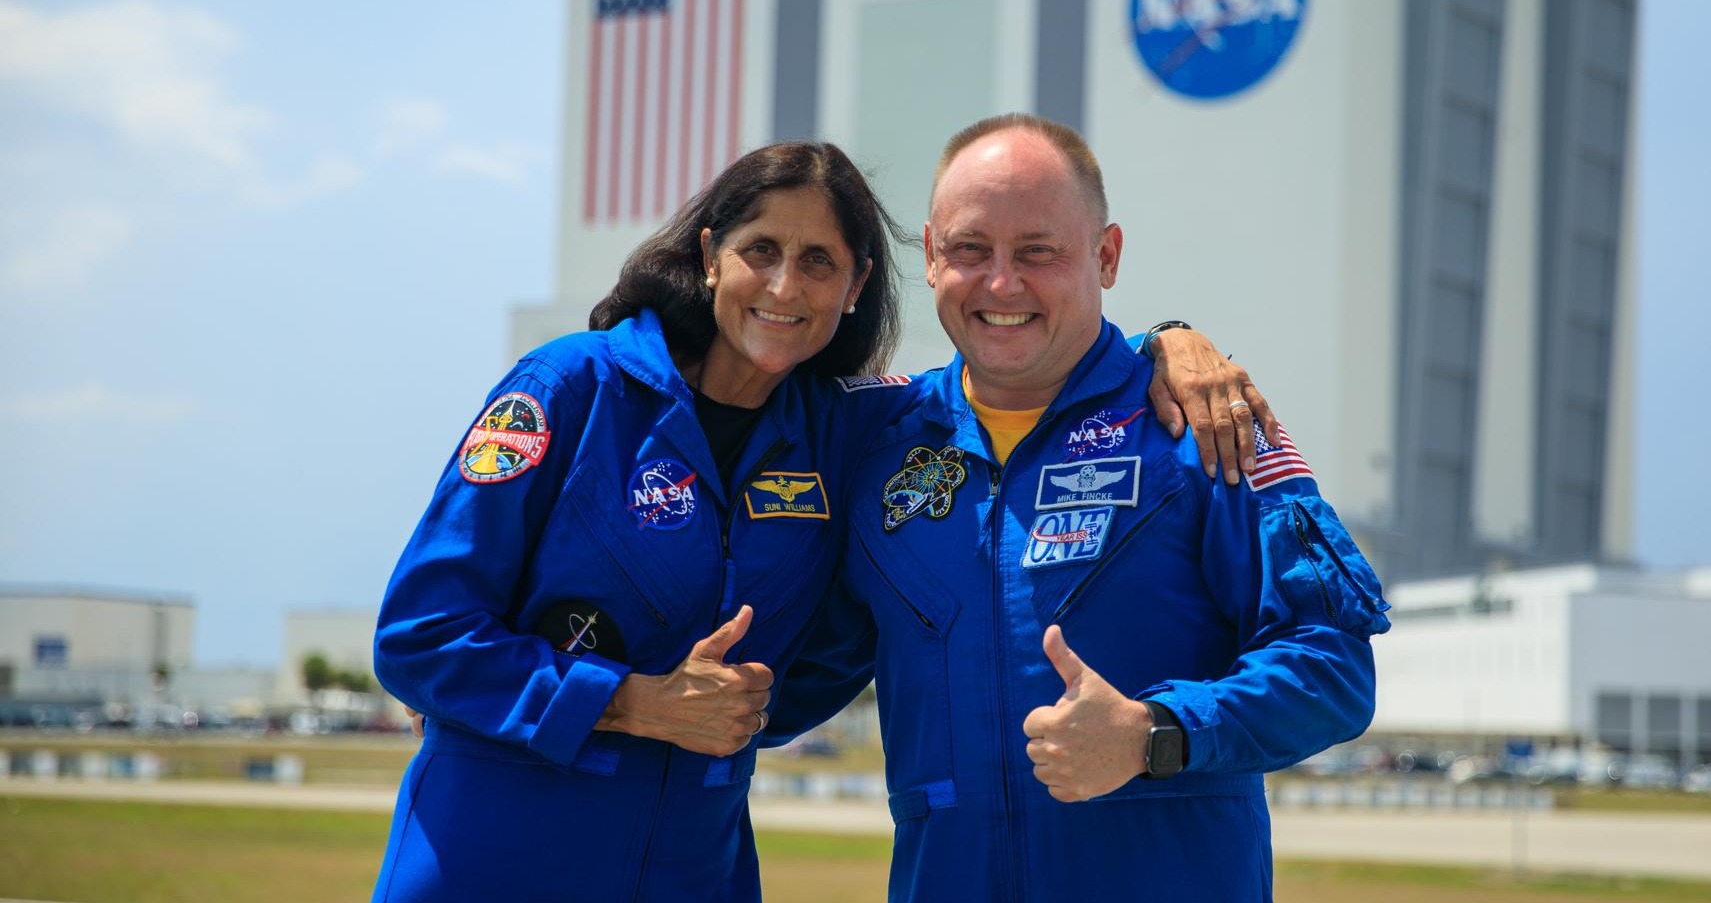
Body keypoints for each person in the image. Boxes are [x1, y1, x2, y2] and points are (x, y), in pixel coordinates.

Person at [370, 139, 1277, 901]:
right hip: (493, 857)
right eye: (762, 250)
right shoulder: (570, 388)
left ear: (858, 285)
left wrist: (1172, 341)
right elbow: (419, 637)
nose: (784, 286)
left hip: (695, 869)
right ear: (710, 252)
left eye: (818, 263)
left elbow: (1018, 378)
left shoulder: (852, 429)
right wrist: (632, 704)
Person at [774, 114, 1393, 902]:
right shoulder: (873, 439)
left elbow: (1335, 667)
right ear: (930, 257)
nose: (1002, 283)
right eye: (970, 250)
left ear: (1106, 255)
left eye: (1039, 251)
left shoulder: (1206, 425)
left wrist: (1156, 735)